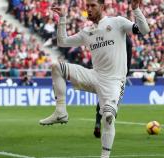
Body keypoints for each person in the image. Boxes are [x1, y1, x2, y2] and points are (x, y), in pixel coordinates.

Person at [39, 1, 149, 158]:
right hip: (94, 75)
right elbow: (62, 41)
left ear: (102, 7)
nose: (88, 9)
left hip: (114, 82)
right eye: (87, 6)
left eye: (92, 6)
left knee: (108, 117)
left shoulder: (117, 22)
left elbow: (145, 30)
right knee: (57, 67)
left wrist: (136, 10)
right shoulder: (87, 31)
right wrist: (62, 17)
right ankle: (60, 111)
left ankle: (104, 156)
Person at [93, 34, 133, 138]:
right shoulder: (128, 41)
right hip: (119, 75)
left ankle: (98, 122)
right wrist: (126, 72)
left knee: (104, 98)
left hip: (107, 72)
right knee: (115, 101)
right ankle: (108, 126)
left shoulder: (111, 38)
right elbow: (128, 59)